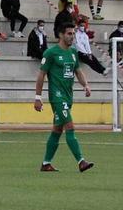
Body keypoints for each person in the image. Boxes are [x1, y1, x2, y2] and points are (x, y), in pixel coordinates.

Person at [34, 22, 93, 173]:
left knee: (57, 130)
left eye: (73, 34)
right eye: (69, 33)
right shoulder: (51, 53)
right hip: (57, 97)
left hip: (68, 96)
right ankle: (81, 161)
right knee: (70, 127)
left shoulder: (73, 52)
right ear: (60, 35)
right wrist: (38, 97)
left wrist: (85, 85)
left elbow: (78, 71)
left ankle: (46, 163)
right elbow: (41, 74)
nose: (72, 36)